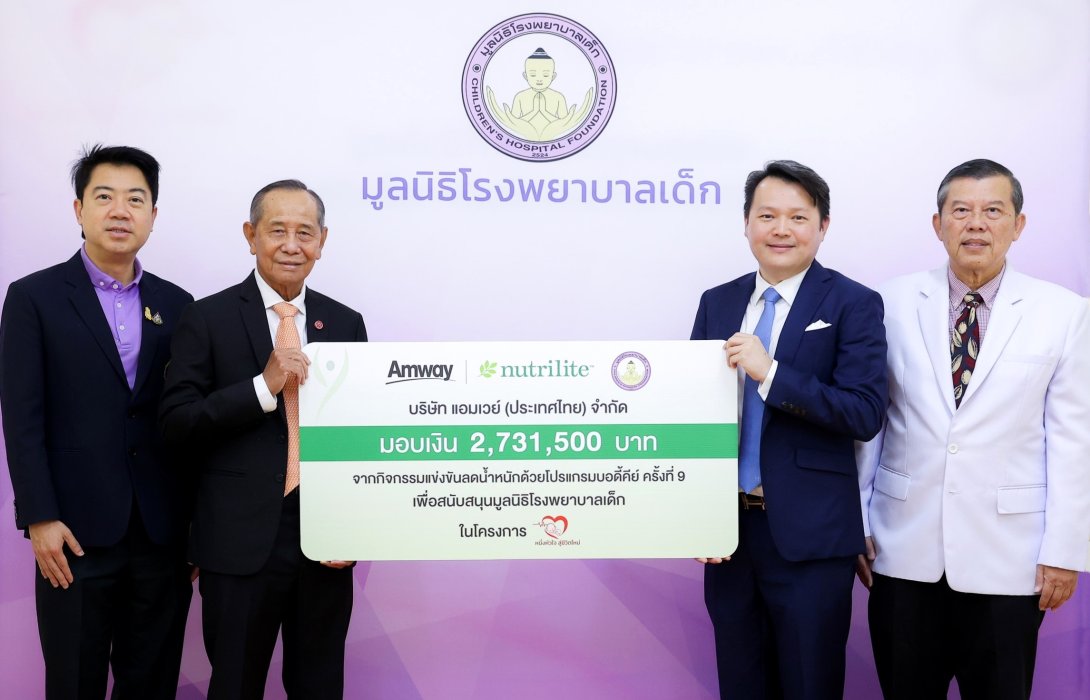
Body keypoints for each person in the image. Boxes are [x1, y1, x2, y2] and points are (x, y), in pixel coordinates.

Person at [857, 159, 1090, 700]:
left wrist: (1065, 550)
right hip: (901, 548)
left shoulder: (1064, 313)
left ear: (1018, 224)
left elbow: (1073, 439)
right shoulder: (888, 303)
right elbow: (869, 425)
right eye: (961, 210)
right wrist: (857, 520)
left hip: (1009, 559)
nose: (976, 223)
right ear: (938, 224)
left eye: (993, 211)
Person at [159, 179, 368, 699]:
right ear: (251, 235)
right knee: (235, 685)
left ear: (323, 241)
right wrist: (262, 387)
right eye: (277, 231)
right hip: (237, 543)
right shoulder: (207, 317)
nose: (291, 245)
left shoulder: (346, 322)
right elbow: (177, 423)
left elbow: (359, 439)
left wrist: (354, 527)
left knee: (320, 686)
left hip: (324, 543)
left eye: (305, 232)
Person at [0, 144, 194, 698]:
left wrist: (194, 529)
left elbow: (187, 422)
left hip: (161, 535)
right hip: (73, 535)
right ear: (79, 209)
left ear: (153, 215)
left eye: (135, 199)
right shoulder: (33, 298)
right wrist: (40, 517)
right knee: (73, 681)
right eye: (104, 196)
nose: (120, 211)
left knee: (151, 682)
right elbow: (22, 416)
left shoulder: (179, 305)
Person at [690, 160, 888, 700]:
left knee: (809, 684)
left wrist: (771, 374)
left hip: (812, 541)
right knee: (741, 683)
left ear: (823, 226)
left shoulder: (853, 303)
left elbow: (864, 412)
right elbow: (694, 418)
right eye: (767, 215)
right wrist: (695, 516)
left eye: (798, 217)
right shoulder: (717, 301)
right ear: (746, 224)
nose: (782, 229)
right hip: (729, 538)